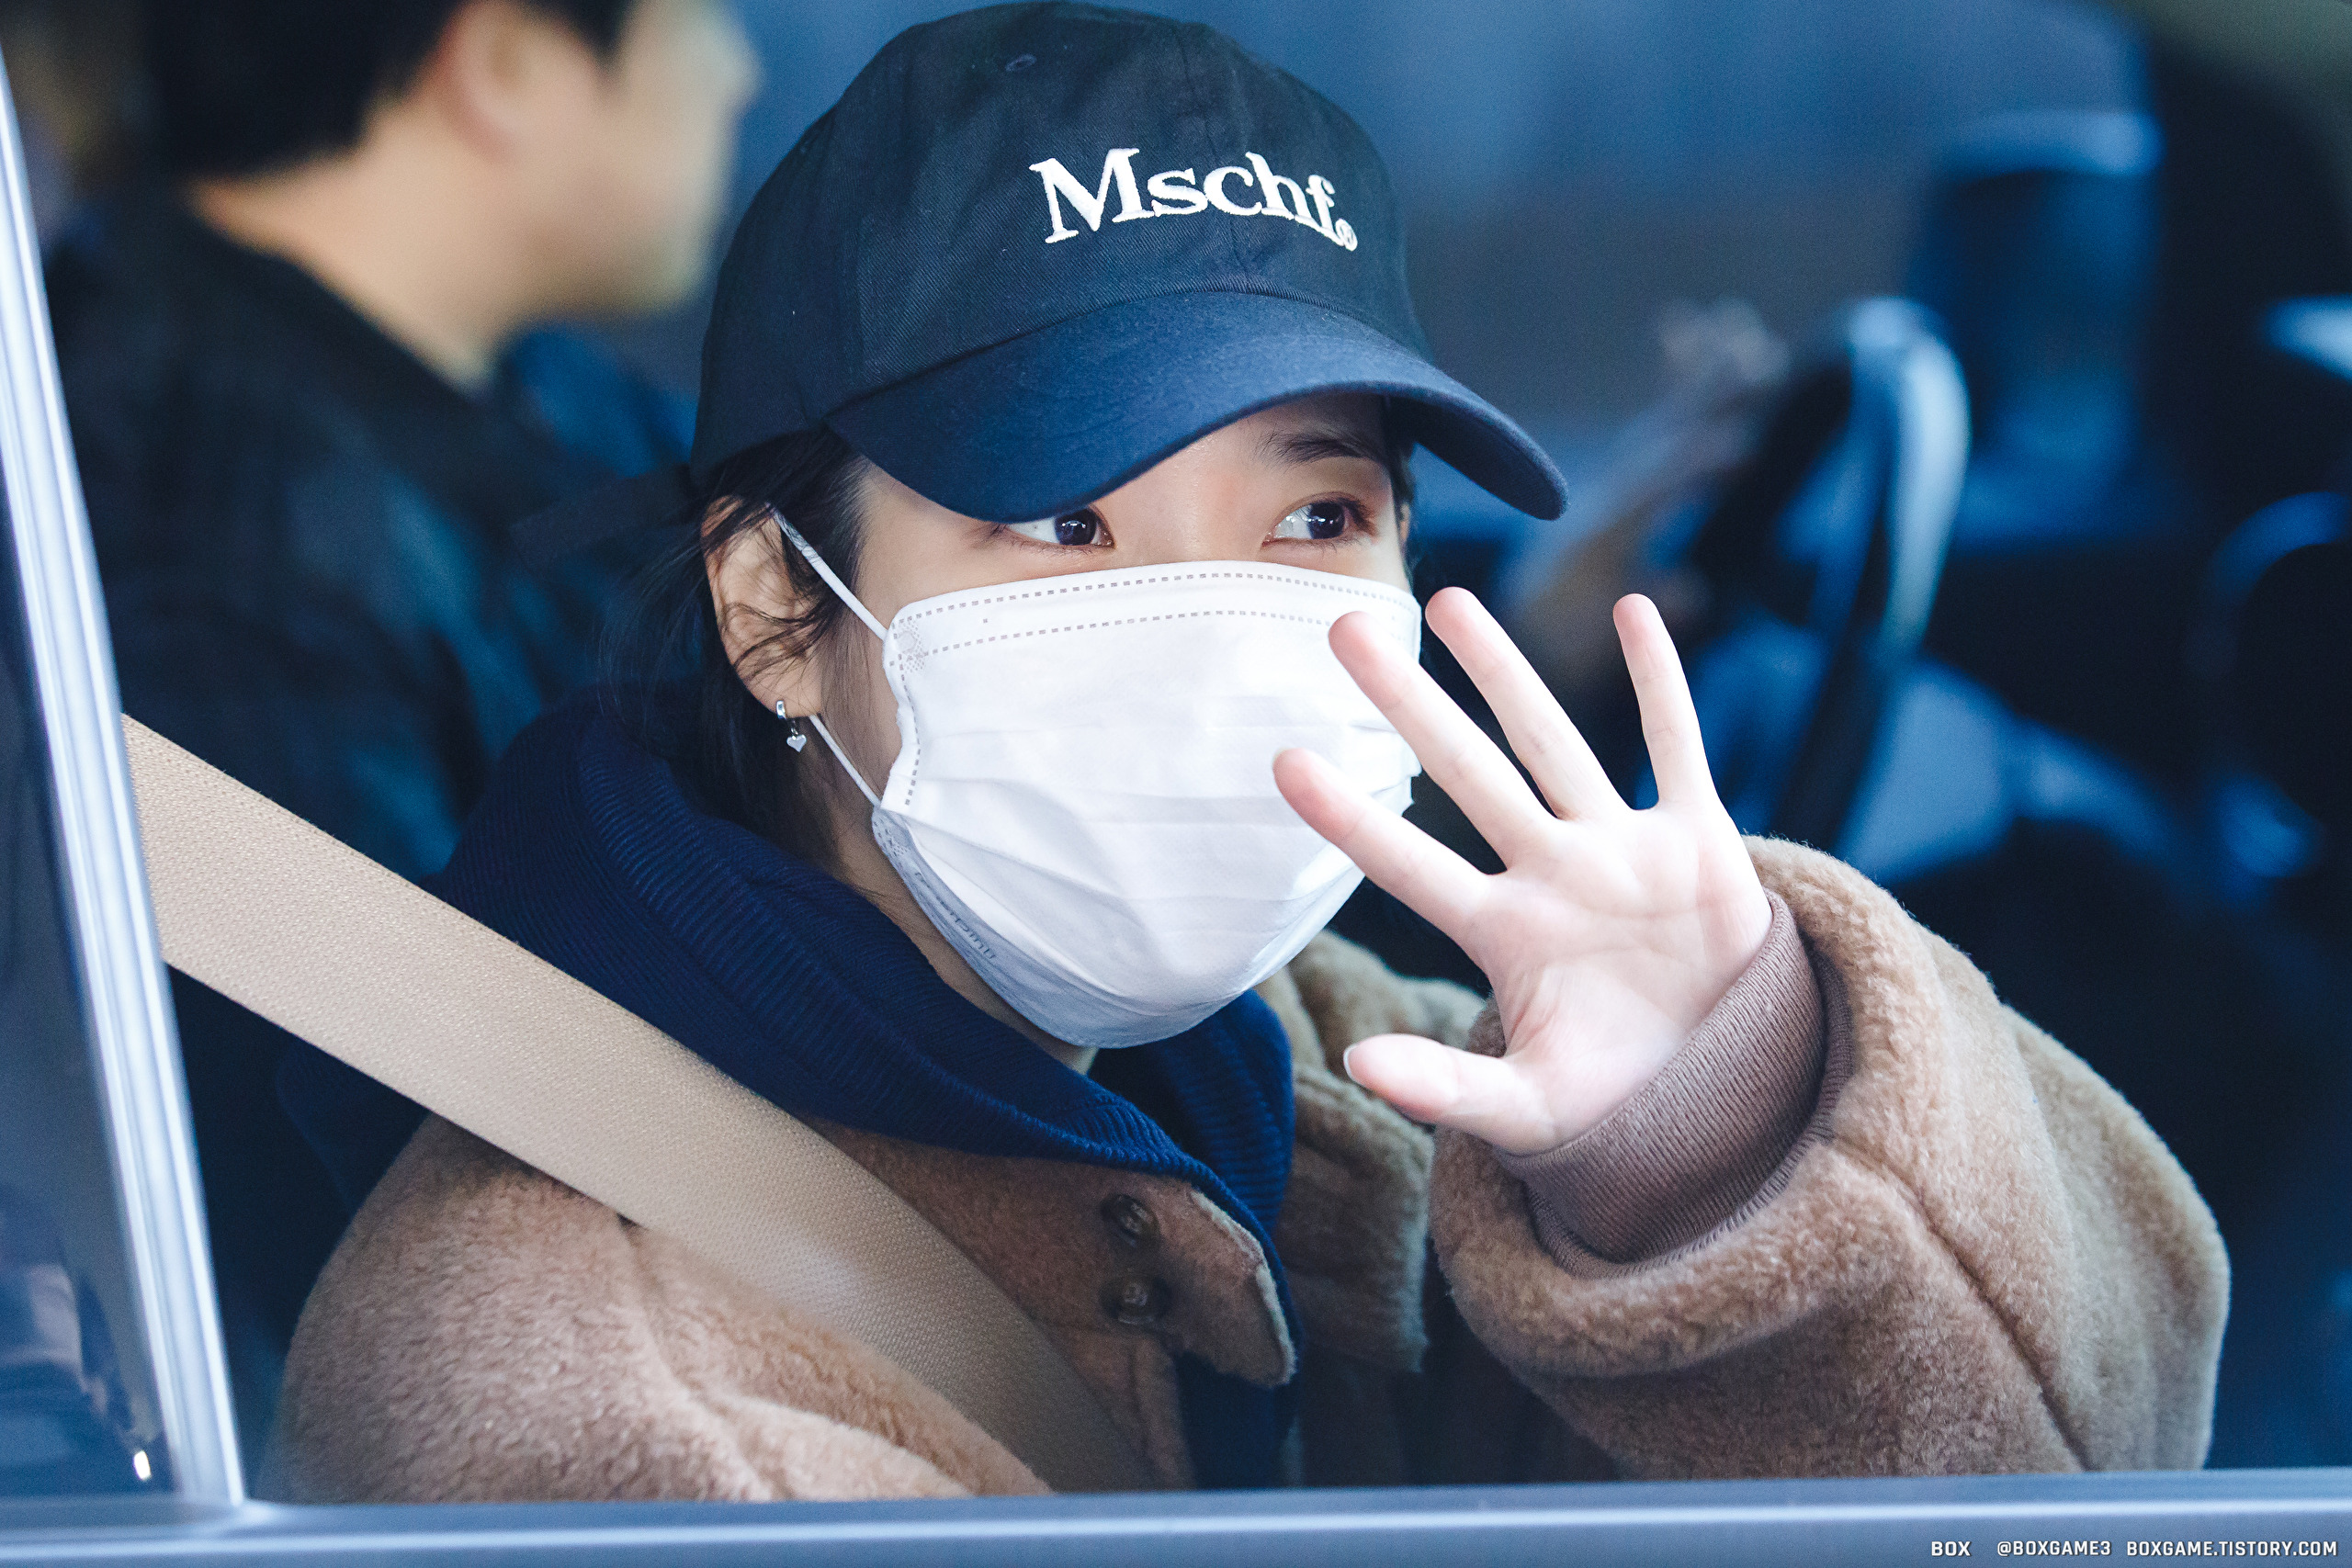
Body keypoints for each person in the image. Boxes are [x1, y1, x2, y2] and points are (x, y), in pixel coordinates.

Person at [271, 4, 2227, 1499]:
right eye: (1066, 519)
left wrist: (1721, 1133)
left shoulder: (1292, 1055)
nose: (1212, 626)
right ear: (780, 604)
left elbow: (2095, 1465)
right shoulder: (640, 1428)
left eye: (1313, 518)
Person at [41, 0, 758, 1451]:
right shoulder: (212, 535)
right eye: (697, 14)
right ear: (502, 64)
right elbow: (365, 1187)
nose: (737, 68)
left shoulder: (531, 387)